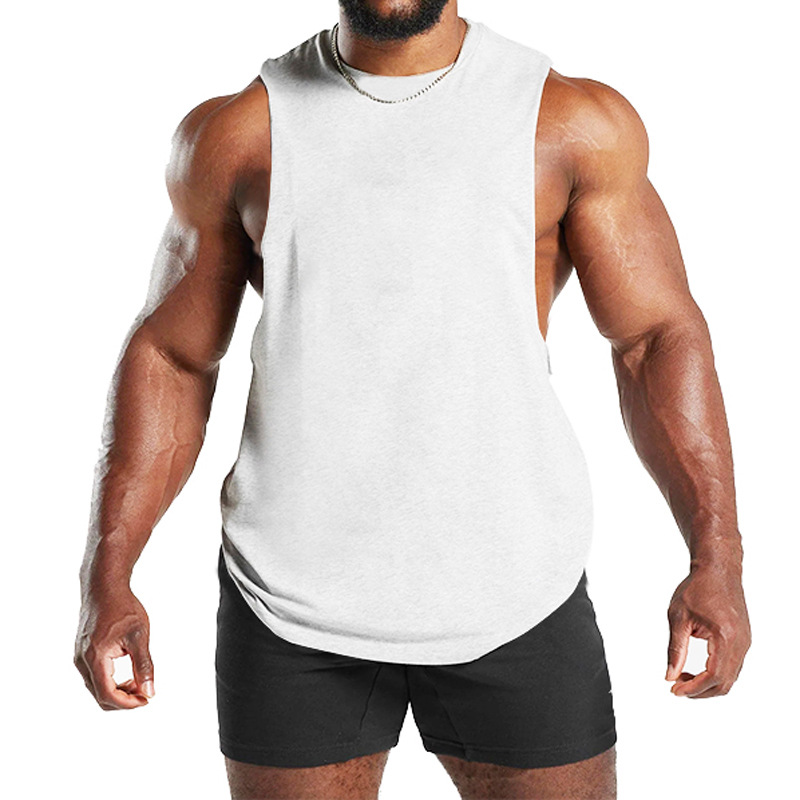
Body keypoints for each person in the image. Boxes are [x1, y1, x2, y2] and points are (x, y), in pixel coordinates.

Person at [73, 1, 752, 798]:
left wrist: (716, 560)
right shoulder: (239, 135)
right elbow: (172, 357)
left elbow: (654, 340)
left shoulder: (569, 123)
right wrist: (107, 572)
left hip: (516, 591)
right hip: (289, 599)